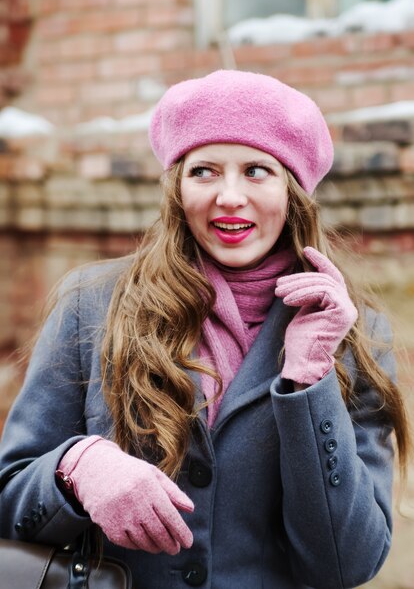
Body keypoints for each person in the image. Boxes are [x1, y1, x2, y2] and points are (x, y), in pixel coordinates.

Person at [0, 70, 410, 589]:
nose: (230, 196)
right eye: (205, 171)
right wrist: (76, 467)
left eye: (257, 170)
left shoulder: (348, 332)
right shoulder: (93, 304)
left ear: (294, 191)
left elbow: (346, 563)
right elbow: (10, 499)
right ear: (177, 187)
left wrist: (310, 381)